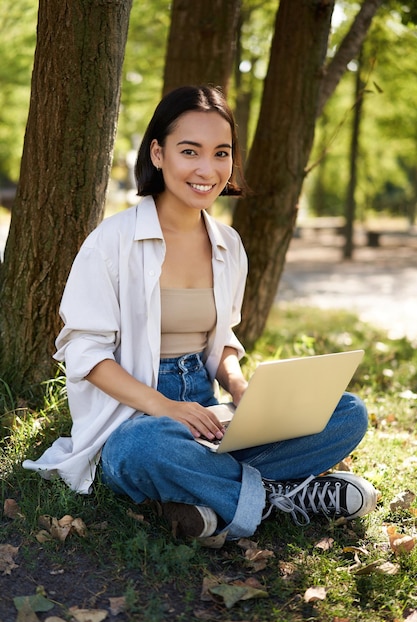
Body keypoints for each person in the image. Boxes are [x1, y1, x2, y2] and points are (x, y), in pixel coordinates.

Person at [23, 85, 377, 539]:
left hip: (208, 414)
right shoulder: (112, 242)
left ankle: (204, 494)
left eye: (221, 153)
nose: (207, 169)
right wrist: (166, 407)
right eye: (190, 151)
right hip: (136, 412)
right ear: (158, 153)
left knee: (347, 411)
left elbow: (222, 338)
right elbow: (83, 351)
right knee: (139, 450)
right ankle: (280, 497)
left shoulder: (229, 246)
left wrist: (239, 385)